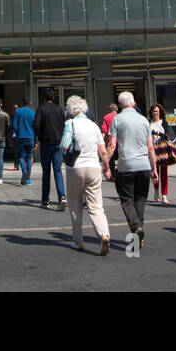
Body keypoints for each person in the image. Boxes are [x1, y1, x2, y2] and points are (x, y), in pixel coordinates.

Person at [60, 95, 111, 254]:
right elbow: (103, 150)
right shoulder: (94, 126)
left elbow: (64, 146)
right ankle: (104, 234)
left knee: (75, 205)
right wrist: (107, 167)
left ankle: (78, 241)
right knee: (96, 205)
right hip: (93, 166)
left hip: (75, 167)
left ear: (70, 109)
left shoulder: (70, 124)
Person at [106, 91, 156, 248]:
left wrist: (106, 164)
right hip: (144, 165)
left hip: (126, 165)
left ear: (120, 105)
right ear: (133, 103)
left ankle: (135, 228)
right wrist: (154, 168)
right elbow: (150, 147)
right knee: (140, 200)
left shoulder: (117, 119)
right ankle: (138, 233)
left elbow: (112, 145)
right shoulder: (144, 120)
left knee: (127, 200)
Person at [33, 89, 67, 210]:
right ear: (53, 98)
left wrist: (40, 136)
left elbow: (36, 125)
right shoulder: (59, 109)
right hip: (57, 143)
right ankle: (62, 196)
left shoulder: (41, 109)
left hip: (46, 143)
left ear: (44, 98)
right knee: (58, 170)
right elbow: (64, 124)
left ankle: (45, 199)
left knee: (46, 171)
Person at [146, 103, 173, 204]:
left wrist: (160, 134)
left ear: (160, 112)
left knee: (164, 172)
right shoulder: (149, 122)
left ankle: (164, 195)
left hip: (162, 149)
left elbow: (168, 136)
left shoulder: (164, 122)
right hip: (153, 148)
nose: (155, 113)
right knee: (155, 170)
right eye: (154, 111)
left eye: (157, 111)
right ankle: (156, 190)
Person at [12, 96, 36, 186]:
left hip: (21, 137)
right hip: (30, 138)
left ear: (22, 102)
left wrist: (18, 133)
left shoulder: (18, 112)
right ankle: (28, 179)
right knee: (29, 158)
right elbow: (35, 128)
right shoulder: (33, 113)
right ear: (30, 103)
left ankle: (24, 170)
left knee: (21, 157)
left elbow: (14, 125)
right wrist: (36, 141)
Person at [101, 102, 119, 174]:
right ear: (116, 109)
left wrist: (101, 141)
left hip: (111, 141)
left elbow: (104, 130)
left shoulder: (106, 117)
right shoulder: (119, 117)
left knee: (110, 158)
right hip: (120, 141)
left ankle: (112, 174)